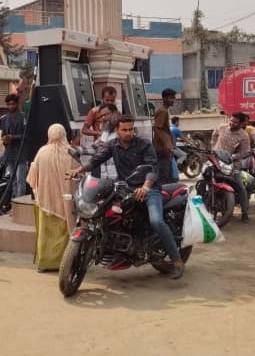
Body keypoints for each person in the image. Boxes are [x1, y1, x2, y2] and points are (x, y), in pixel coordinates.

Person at [67, 116, 185, 279]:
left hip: (149, 189)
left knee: (156, 221)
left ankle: (177, 260)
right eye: (124, 130)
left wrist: (146, 186)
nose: (128, 133)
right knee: (106, 212)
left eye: (131, 129)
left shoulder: (144, 145)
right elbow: (97, 159)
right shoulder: (113, 145)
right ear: (117, 130)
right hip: (125, 188)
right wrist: (79, 170)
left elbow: (153, 167)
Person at [26, 124, 79, 271]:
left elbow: (31, 178)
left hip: (45, 200)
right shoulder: (71, 153)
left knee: (46, 232)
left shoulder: (42, 152)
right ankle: (65, 262)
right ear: (64, 134)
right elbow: (79, 176)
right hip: (66, 202)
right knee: (65, 230)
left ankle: (45, 264)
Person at [211, 112, 251, 223]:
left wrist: (234, 157)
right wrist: (213, 148)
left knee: (240, 186)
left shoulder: (244, 136)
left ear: (241, 123)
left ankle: (244, 212)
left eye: (235, 122)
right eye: (231, 121)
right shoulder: (221, 127)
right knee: (203, 177)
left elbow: (246, 152)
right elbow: (214, 136)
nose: (232, 123)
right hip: (215, 160)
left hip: (231, 163)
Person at [0, 93, 28, 198]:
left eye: (13, 104)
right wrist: (5, 139)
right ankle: (14, 204)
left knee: (20, 181)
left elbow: (27, 135)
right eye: (9, 104)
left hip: (21, 154)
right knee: (13, 181)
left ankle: (20, 204)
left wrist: (13, 137)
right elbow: (3, 135)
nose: (11, 106)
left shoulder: (24, 117)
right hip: (9, 154)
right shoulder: (4, 119)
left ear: (16, 104)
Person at [153, 89, 177, 184]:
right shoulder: (162, 111)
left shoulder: (165, 110)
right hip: (162, 150)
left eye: (174, 98)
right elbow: (157, 128)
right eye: (171, 98)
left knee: (169, 177)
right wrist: (167, 145)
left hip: (165, 149)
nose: (173, 100)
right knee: (164, 177)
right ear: (164, 98)